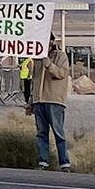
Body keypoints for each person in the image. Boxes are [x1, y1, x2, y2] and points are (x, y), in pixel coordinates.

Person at [28, 33, 71, 171]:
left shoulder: (61, 56)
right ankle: (43, 161)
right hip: (39, 100)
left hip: (54, 100)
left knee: (58, 133)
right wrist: (31, 100)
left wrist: (49, 64)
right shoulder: (37, 59)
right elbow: (35, 79)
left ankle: (64, 163)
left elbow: (61, 74)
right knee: (41, 133)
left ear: (52, 42)